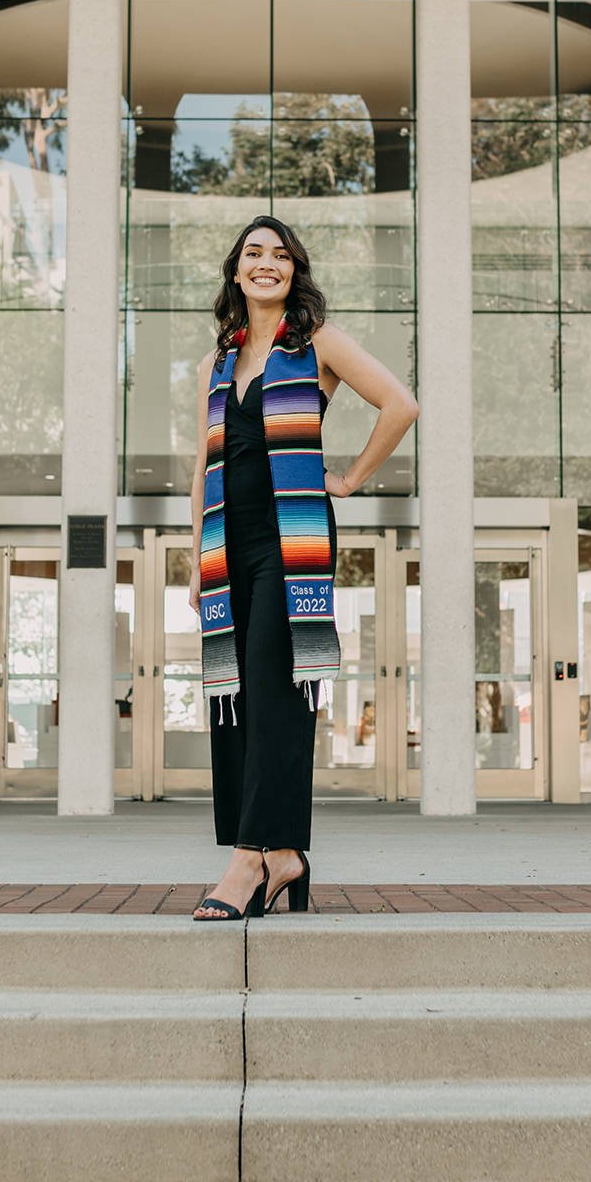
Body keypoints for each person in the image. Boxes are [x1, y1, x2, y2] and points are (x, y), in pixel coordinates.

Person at [188, 215, 417, 921]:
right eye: (254, 253)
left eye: (280, 256)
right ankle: (282, 856)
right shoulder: (217, 363)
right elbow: (205, 463)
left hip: (293, 545)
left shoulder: (315, 343)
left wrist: (347, 479)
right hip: (231, 547)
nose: (266, 264)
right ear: (235, 270)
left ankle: (247, 860)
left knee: (276, 697)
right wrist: (197, 561)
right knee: (239, 704)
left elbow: (401, 404)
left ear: (294, 272)